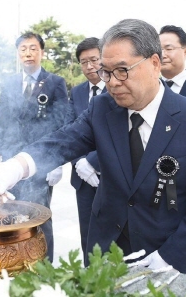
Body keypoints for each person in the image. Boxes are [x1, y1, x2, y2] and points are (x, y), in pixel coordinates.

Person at [0, 19, 186, 276]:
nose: (112, 82)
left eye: (122, 70)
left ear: (154, 63)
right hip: (108, 252)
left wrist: (171, 257)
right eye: (106, 72)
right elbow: (63, 141)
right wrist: (16, 166)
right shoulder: (103, 107)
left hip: (171, 255)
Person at [0, 32, 69, 262]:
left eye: (33, 48)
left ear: (42, 52)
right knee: (9, 213)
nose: (28, 53)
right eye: (23, 48)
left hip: (40, 160)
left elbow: (62, 121)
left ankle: (45, 266)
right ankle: (15, 264)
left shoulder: (55, 82)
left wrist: (57, 162)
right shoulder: (10, 83)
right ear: (18, 53)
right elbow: (3, 119)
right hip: (10, 158)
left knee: (39, 215)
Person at [68, 37, 106, 265]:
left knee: (110, 238)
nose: (90, 66)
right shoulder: (78, 92)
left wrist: (93, 161)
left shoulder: (118, 88)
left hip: (110, 174)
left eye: (94, 60)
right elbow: (71, 130)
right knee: (87, 236)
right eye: (84, 62)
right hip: (82, 177)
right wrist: (80, 162)